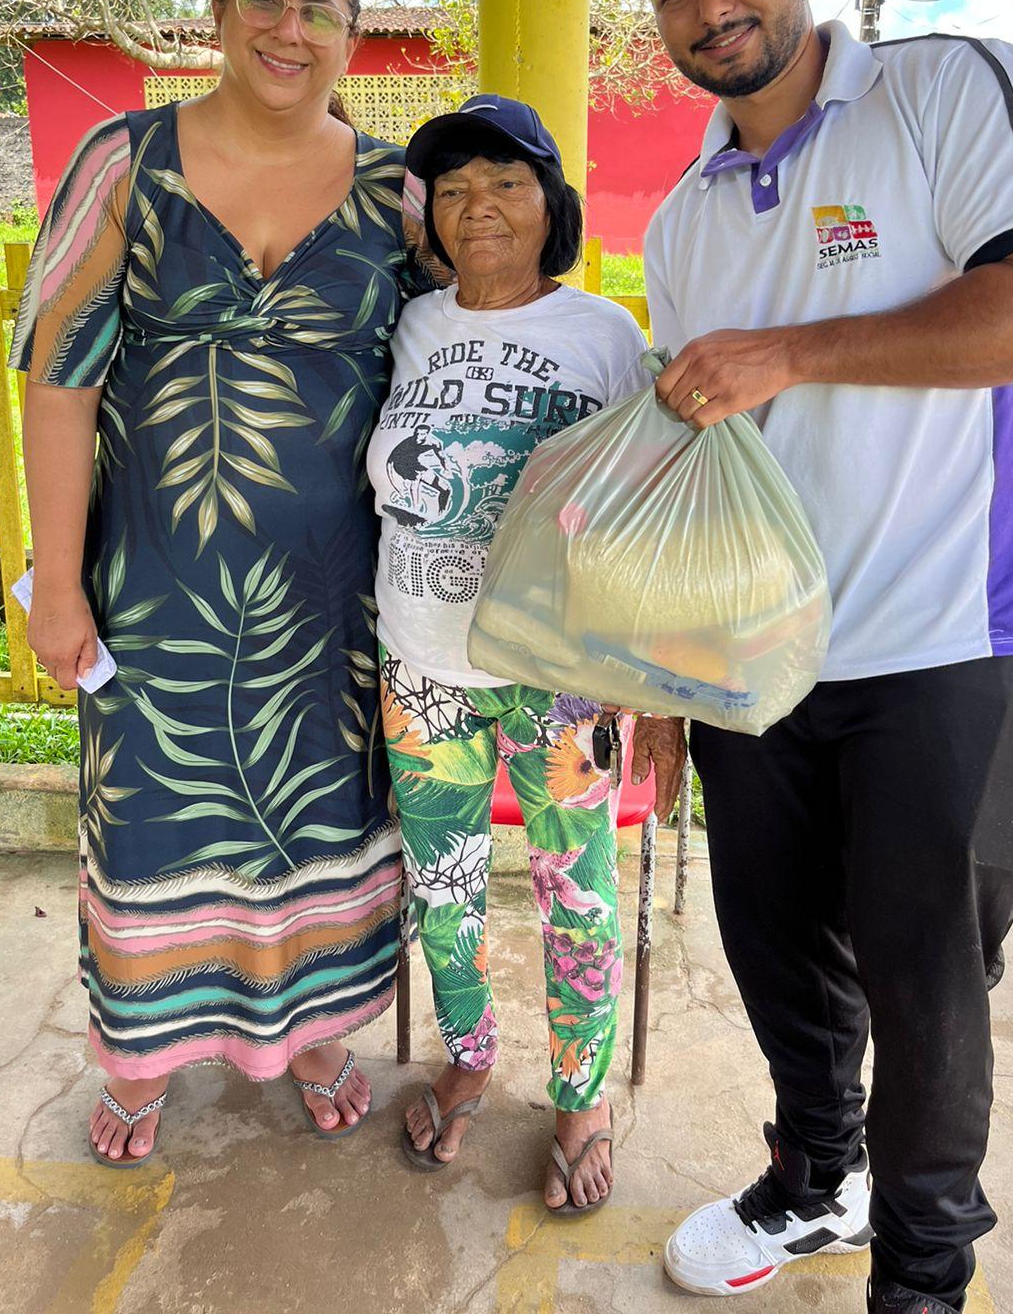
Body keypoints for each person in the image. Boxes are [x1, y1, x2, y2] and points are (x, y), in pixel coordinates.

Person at [629, 0, 1013, 1311]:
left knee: (928, 992)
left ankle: (921, 1276)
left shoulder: (949, 90)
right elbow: (697, 473)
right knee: (780, 960)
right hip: (754, 663)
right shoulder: (685, 221)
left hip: (946, 640)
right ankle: (810, 1184)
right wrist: (665, 675)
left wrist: (795, 348)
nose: (711, 2)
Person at [11, 0, 426, 1166]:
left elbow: (457, 359)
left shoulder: (396, 189)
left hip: (331, 604)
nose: (288, 30)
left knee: (319, 817)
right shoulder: (124, 162)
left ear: (353, 38)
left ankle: (309, 1032)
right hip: (153, 593)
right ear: (219, 10)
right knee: (154, 817)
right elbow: (59, 378)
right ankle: (142, 1055)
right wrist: (60, 581)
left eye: (319, 11)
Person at [369, 95, 687, 1211]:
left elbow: (648, 510)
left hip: (559, 680)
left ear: (551, 201)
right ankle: (468, 1049)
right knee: (442, 889)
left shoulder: (601, 334)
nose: (477, 205)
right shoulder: (408, 325)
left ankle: (582, 1092)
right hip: (421, 666)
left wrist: (652, 686)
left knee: (577, 892)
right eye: (452, 189)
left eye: (505, 180)